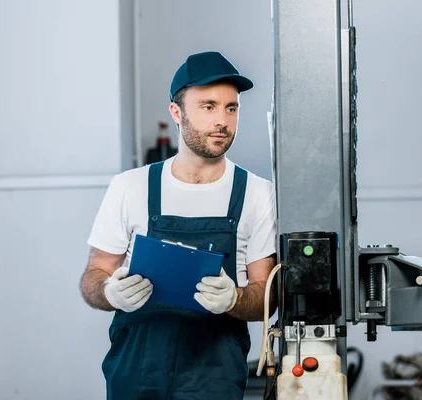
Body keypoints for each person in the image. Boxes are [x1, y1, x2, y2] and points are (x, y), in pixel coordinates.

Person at [79, 51, 278, 400]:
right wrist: (110, 292)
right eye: (208, 106)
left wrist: (233, 299)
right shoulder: (130, 186)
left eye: (231, 108)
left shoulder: (257, 194)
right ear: (176, 112)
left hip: (214, 376)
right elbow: (93, 277)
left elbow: (266, 297)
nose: (222, 120)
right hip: (135, 371)